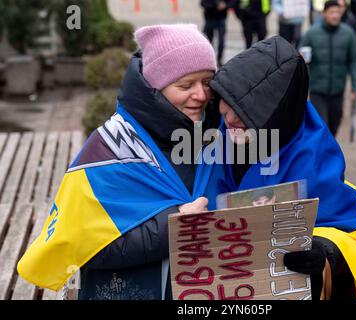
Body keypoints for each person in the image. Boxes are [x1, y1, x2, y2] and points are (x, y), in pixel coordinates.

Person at [17, 24, 226, 299]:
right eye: (185, 85)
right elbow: (80, 247)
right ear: (155, 88)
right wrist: (175, 227)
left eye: (207, 82)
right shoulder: (105, 153)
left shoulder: (214, 137)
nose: (201, 95)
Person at [210, 35, 356, 299]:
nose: (227, 116)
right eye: (224, 100)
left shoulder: (313, 155)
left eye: (243, 109)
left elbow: (350, 227)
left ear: (276, 115)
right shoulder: (217, 134)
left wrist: (324, 250)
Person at [300, 0, 356, 137]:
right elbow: (300, 59)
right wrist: (303, 59)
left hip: (338, 91)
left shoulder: (348, 34)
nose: (335, 16)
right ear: (323, 14)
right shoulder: (311, 34)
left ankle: (327, 152)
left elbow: (354, 61)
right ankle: (321, 156)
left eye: (338, 12)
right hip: (317, 90)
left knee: (334, 125)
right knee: (322, 125)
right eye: (332, 12)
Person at [200, 0, 237, 66]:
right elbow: (203, 4)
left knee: (221, 41)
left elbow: (232, 3)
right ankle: (209, 59)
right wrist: (216, 5)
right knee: (208, 41)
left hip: (221, 19)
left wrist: (225, 5)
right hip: (209, 19)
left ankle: (219, 60)